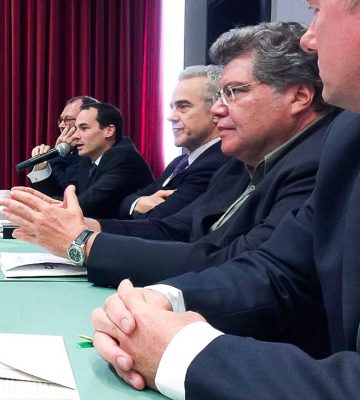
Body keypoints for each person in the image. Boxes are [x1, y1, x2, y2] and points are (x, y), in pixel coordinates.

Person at [91, 4, 360, 398]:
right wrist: (165, 299)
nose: (309, 38)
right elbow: (279, 270)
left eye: (318, 10)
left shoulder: (320, 149)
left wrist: (179, 352)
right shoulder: (348, 135)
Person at [0, 21, 338, 287]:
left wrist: (84, 244)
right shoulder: (239, 165)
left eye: (234, 92)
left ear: (299, 97)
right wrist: (88, 226)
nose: (218, 109)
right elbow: (173, 229)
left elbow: (237, 266)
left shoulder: (318, 164)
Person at [118, 65, 228, 220]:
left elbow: (158, 222)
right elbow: (125, 203)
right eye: (172, 107)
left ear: (216, 110)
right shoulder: (179, 162)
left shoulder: (218, 162)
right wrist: (137, 203)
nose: (171, 117)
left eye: (183, 106)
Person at [28, 102, 153, 219]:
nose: (76, 135)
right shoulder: (88, 159)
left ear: (109, 131)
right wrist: (42, 169)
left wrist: (34, 204)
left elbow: (85, 206)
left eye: (84, 128)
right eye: (76, 128)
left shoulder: (124, 157)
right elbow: (65, 194)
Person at [29, 96, 99, 188]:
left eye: (67, 120)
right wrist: (41, 167)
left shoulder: (91, 152)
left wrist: (58, 154)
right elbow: (45, 191)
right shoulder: (70, 150)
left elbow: (64, 187)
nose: (61, 125)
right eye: (61, 120)